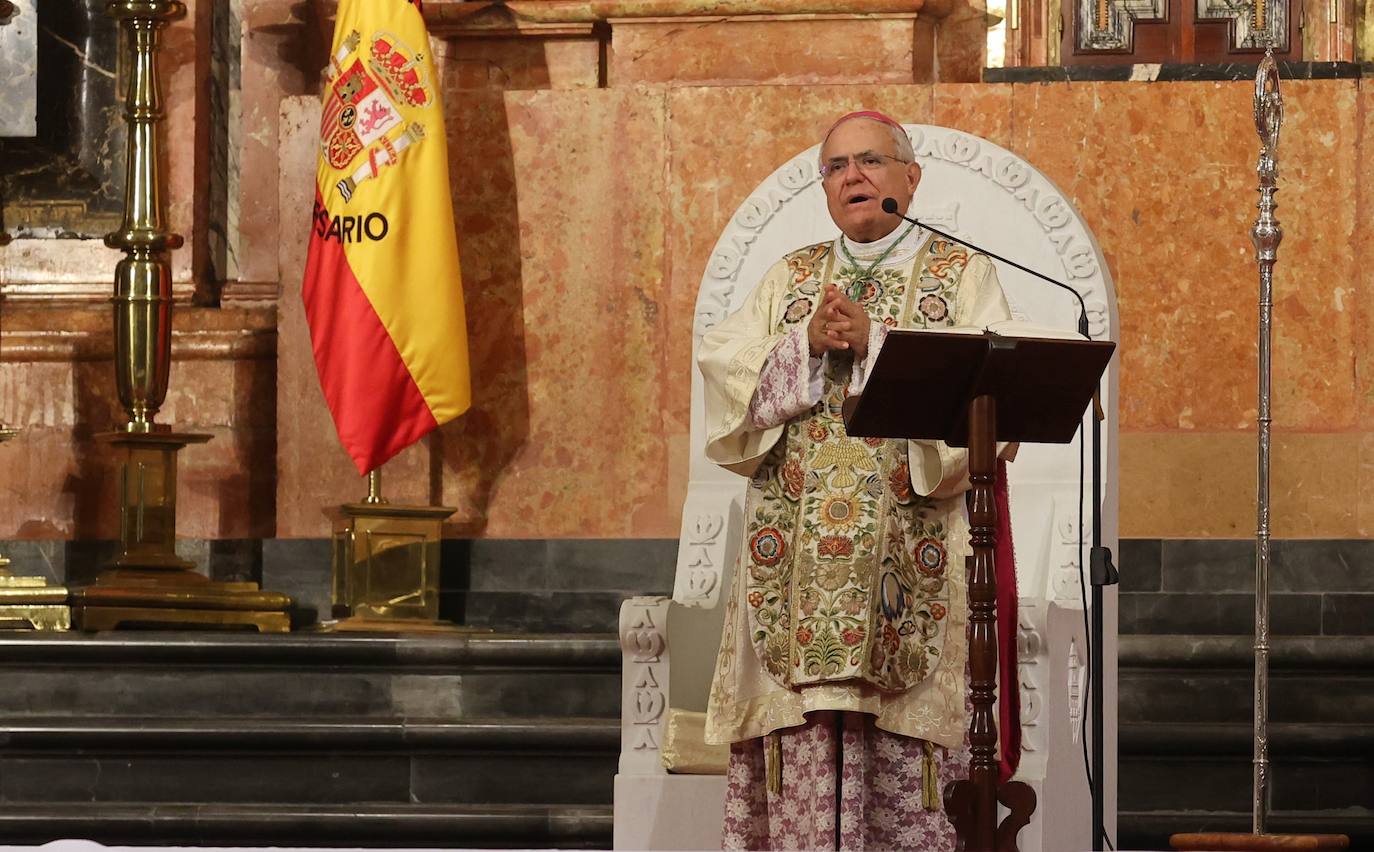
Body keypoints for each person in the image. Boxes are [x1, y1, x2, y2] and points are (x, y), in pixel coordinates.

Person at [698, 110, 1015, 851]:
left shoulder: (962, 274)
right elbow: (723, 367)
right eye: (837, 167)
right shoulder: (792, 278)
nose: (854, 177)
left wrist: (878, 342)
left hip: (906, 561)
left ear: (911, 178)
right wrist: (802, 344)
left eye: (871, 161)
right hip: (796, 571)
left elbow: (990, 394)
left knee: (897, 749)